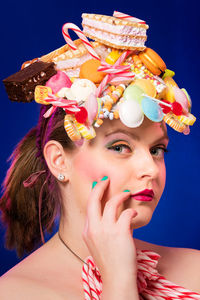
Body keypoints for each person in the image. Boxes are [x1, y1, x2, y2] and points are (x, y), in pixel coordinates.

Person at [0, 11, 200, 300]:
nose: (151, 169)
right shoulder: (15, 293)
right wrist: (119, 283)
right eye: (120, 147)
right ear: (59, 161)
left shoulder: (195, 269)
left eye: (157, 150)